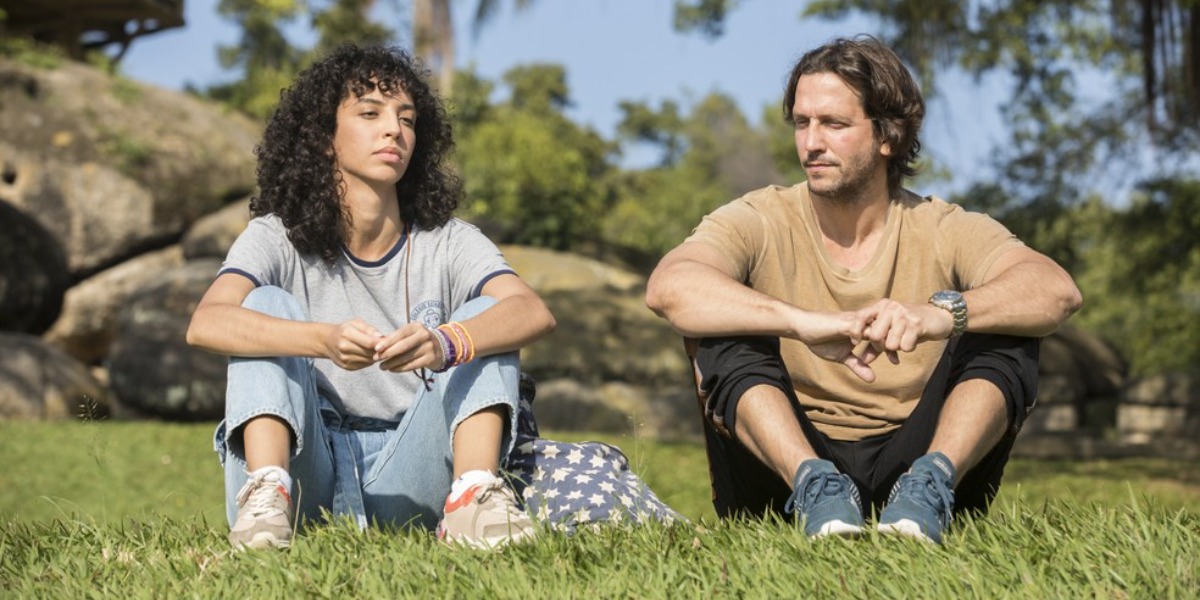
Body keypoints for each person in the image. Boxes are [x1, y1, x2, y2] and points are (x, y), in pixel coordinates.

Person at [644, 36, 1082, 544]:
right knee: (719, 324)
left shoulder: (943, 226)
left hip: (917, 460)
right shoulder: (759, 217)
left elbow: (1055, 291)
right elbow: (669, 289)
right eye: (802, 123)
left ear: (888, 137)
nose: (811, 142)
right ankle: (816, 488)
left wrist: (940, 315)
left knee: (1004, 324)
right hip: (782, 474)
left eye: (834, 124)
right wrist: (799, 322)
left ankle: (929, 486)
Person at [187, 44, 556, 550]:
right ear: (322, 139)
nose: (394, 130)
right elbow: (206, 322)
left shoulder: (448, 240)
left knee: (486, 321)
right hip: (305, 470)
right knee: (265, 306)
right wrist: (322, 340)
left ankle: (472, 502)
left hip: (412, 478)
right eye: (370, 113)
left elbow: (532, 311)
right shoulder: (275, 236)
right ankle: (265, 499)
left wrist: (446, 343)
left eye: (407, 119)